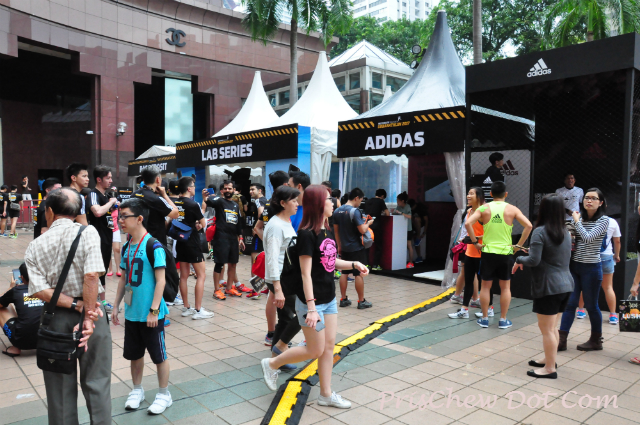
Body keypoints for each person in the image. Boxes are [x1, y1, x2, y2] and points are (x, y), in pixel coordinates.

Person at [261, 184, 369, 411]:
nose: (334, 202)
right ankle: (272, 363)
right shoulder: (306, 234)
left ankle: (326, 395)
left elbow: (330, 262)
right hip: (312, 303)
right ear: (319, 204)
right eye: (329, 199)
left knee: (328, 347)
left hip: (329, 299)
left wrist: (354, 264)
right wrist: (311, 308)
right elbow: (305, 273)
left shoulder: (326, 230)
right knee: (315, 350)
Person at [25, 188, 110, 425]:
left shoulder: (36, 245)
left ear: (49, 211)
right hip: (93, 315)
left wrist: (75, 305)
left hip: (55, 318)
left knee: (59, 388)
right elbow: (91, 275)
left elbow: (39, 290)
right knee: (97, 382)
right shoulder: (88, 232)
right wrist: (88, 316)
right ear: (77, 211)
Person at [111, 198, 172, 414]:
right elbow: (123, 280)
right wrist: (116, 305)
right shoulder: (127, 247)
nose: (120, 221)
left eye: (124, 217)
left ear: (139, 218)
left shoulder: (153, 246)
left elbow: (161, 281)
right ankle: (137, 390)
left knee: (159, 355)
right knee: (134, 355)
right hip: (132, 313)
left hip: (151, 314)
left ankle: (164, 394)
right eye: (119, 217)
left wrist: (154, 311)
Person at [512, 194, 574, 379]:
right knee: (553, 327)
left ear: (543, 209)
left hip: (548, 287)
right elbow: (551, 255)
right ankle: (549, 360)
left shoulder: (540, 231)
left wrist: (519, 259)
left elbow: (534, 260)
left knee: (547, 329)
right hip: (565, 285)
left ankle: (549, 369)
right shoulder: (565, 232)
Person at [466, 181, 533, 329]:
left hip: (488, 252)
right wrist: (518, 246)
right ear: (506, 194)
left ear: (490, 194)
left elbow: (467, 224)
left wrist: (475, 242)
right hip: (505, 253)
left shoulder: (484, 208)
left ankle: (484, 319)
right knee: (505, 287)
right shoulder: (512, 209)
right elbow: (529, 226)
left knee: (485, 287)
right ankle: (503, 320)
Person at [558, 188, 609, 352]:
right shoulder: (579, 219)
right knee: (570, 304)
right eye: (587, 198)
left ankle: (596, 340)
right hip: (574, 267)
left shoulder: (603, 220)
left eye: (594, 198)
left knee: (591, 305)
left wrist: (576, 221)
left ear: (600, 203)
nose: (589, 201)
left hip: (592, 268)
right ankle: (561, 340)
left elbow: (588, 238)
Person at [264, 185, 301, 370]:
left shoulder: (285, 222)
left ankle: (277, 356)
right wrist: (277, 289)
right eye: (293, 201)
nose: (297, 204)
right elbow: (272, 259)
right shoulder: (276, 226)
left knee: (286, 317)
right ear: (283, 203)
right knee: (303, 313)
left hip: (286, 278)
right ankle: (280, 349)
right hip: (281, 279)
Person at [254, 171, 290, 345]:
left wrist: (268, 245)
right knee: (276, 295)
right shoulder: (280, 206)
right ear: (286, 184)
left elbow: (257, 228)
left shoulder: (268, 205)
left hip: (275, 257)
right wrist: (272, 246)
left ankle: (271, 333)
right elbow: (257, 228)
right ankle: (274, 336)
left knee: (272, 295)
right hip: (280, 260)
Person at [174, 177, 212, 320]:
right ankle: (198, 310)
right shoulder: (192, 204)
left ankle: (186, 307)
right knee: (201, 275)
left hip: (180, 242)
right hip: (192, 243)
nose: (195, 188)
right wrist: (198, 224)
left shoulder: (175, 202)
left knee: (183, 276)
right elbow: (203, 223)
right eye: (193, 186)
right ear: (189, 188)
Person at [449, 187, 487, 319]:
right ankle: (464, 309)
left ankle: (488, 309)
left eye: (471, 194)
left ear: (479, 196)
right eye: (468, 194)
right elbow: (467, 230)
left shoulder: (485, 212)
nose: (468, 196)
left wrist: (475, 240)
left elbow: (490, 233)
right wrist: (467, 240)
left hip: (482, 252)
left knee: (484, 282)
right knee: (469, 279)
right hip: (469, 251)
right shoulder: (469, 211)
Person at [576, 214, 621, 324]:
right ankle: (613, 315)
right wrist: (617, 255)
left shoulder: (584, 220)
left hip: (590, 257)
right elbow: (617, 241)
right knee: (608, 287)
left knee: (585, 285)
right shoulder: (612, 221)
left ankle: (580, 310)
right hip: (607, 256)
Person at [333, 188, 373, 309]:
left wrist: (339, 246)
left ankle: (343, 299)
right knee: (358, 274)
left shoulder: (337, 211)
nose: (360, 203)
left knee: (344, 273)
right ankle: (361, 301)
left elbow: (336, 231)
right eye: (360, 200)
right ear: (356, 198)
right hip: (356, 247)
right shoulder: (355, 211)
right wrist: (369, 223)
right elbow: (362, 230)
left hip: (344, 247)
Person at [205, 180, 245, 300]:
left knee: (233, 264)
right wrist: (205, 198)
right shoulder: (219, 201)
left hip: (233, 239)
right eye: (226, 188)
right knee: (219, 264)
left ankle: (228, 288)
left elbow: (238, 224)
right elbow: (210, 202)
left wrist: (240, 238)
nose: (228, 190)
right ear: (222, 190)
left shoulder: (235, 205)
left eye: (230, 188)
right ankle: (217, 290)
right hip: (221, 238)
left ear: (233, 190)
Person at [88, 165, 118, 308]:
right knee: (96, 272)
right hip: (97, 240)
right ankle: (94, 302)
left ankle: (102, 301)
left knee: (103, 271)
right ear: (99, 179)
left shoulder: (106, 196)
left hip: (106, 238)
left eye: (111, 178)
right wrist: (111, 203)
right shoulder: (93, 194)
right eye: (108, 178)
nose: (111, 181)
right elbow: (97, 212)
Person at [0, 263, 44, 357]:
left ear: (21, 277)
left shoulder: (16, 290)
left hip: (21, 342)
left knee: (2, 307)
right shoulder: (47, 289)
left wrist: (10, 288)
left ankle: (16, 347)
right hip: (47, 340)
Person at [133, 165, 179, 246]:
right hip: (155, 244)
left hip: (136, 241)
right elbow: (176, 213)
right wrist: (164, 195)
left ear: (143, 179)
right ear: (158, 179)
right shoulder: (156, 199)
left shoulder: (134, 195)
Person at [247, 183, 268, 299]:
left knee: (255, 261)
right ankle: (268, 287)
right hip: (265, 234)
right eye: (250, 190)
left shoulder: (259, 201)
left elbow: (261, 213)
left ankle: (256, 290)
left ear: (260, 191)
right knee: (265, 262)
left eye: (253, 189)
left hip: (259, 235)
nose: (250, 192)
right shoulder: (267, 200)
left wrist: (257, 227)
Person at [364, 189, 389, 271]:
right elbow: (387, 214)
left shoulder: (367, 201)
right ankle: (375, 265)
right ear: (382, 196)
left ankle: (366, 264)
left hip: (367, 226)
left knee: (367, 246)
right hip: (376, 226)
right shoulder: (381, 201)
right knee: (378, 246)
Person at [391, 192, 415, 268]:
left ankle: (411, 262)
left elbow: (410, 216)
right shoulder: (398, 207)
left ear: (402, 201)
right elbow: (396, 214)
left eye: (398, 201)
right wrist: (393, 212)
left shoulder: (407, 207)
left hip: (408, 229)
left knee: (409, 245)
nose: (397, 202)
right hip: (400, 229)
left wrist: (401, 213)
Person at [108, 187, 123, 278]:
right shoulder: (106, 205)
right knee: (108, 249)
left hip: (115, 228)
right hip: (107, 229)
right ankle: (110, 269)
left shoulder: (117, 206)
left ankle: (118, 269)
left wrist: (119, 205)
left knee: (117, 249)